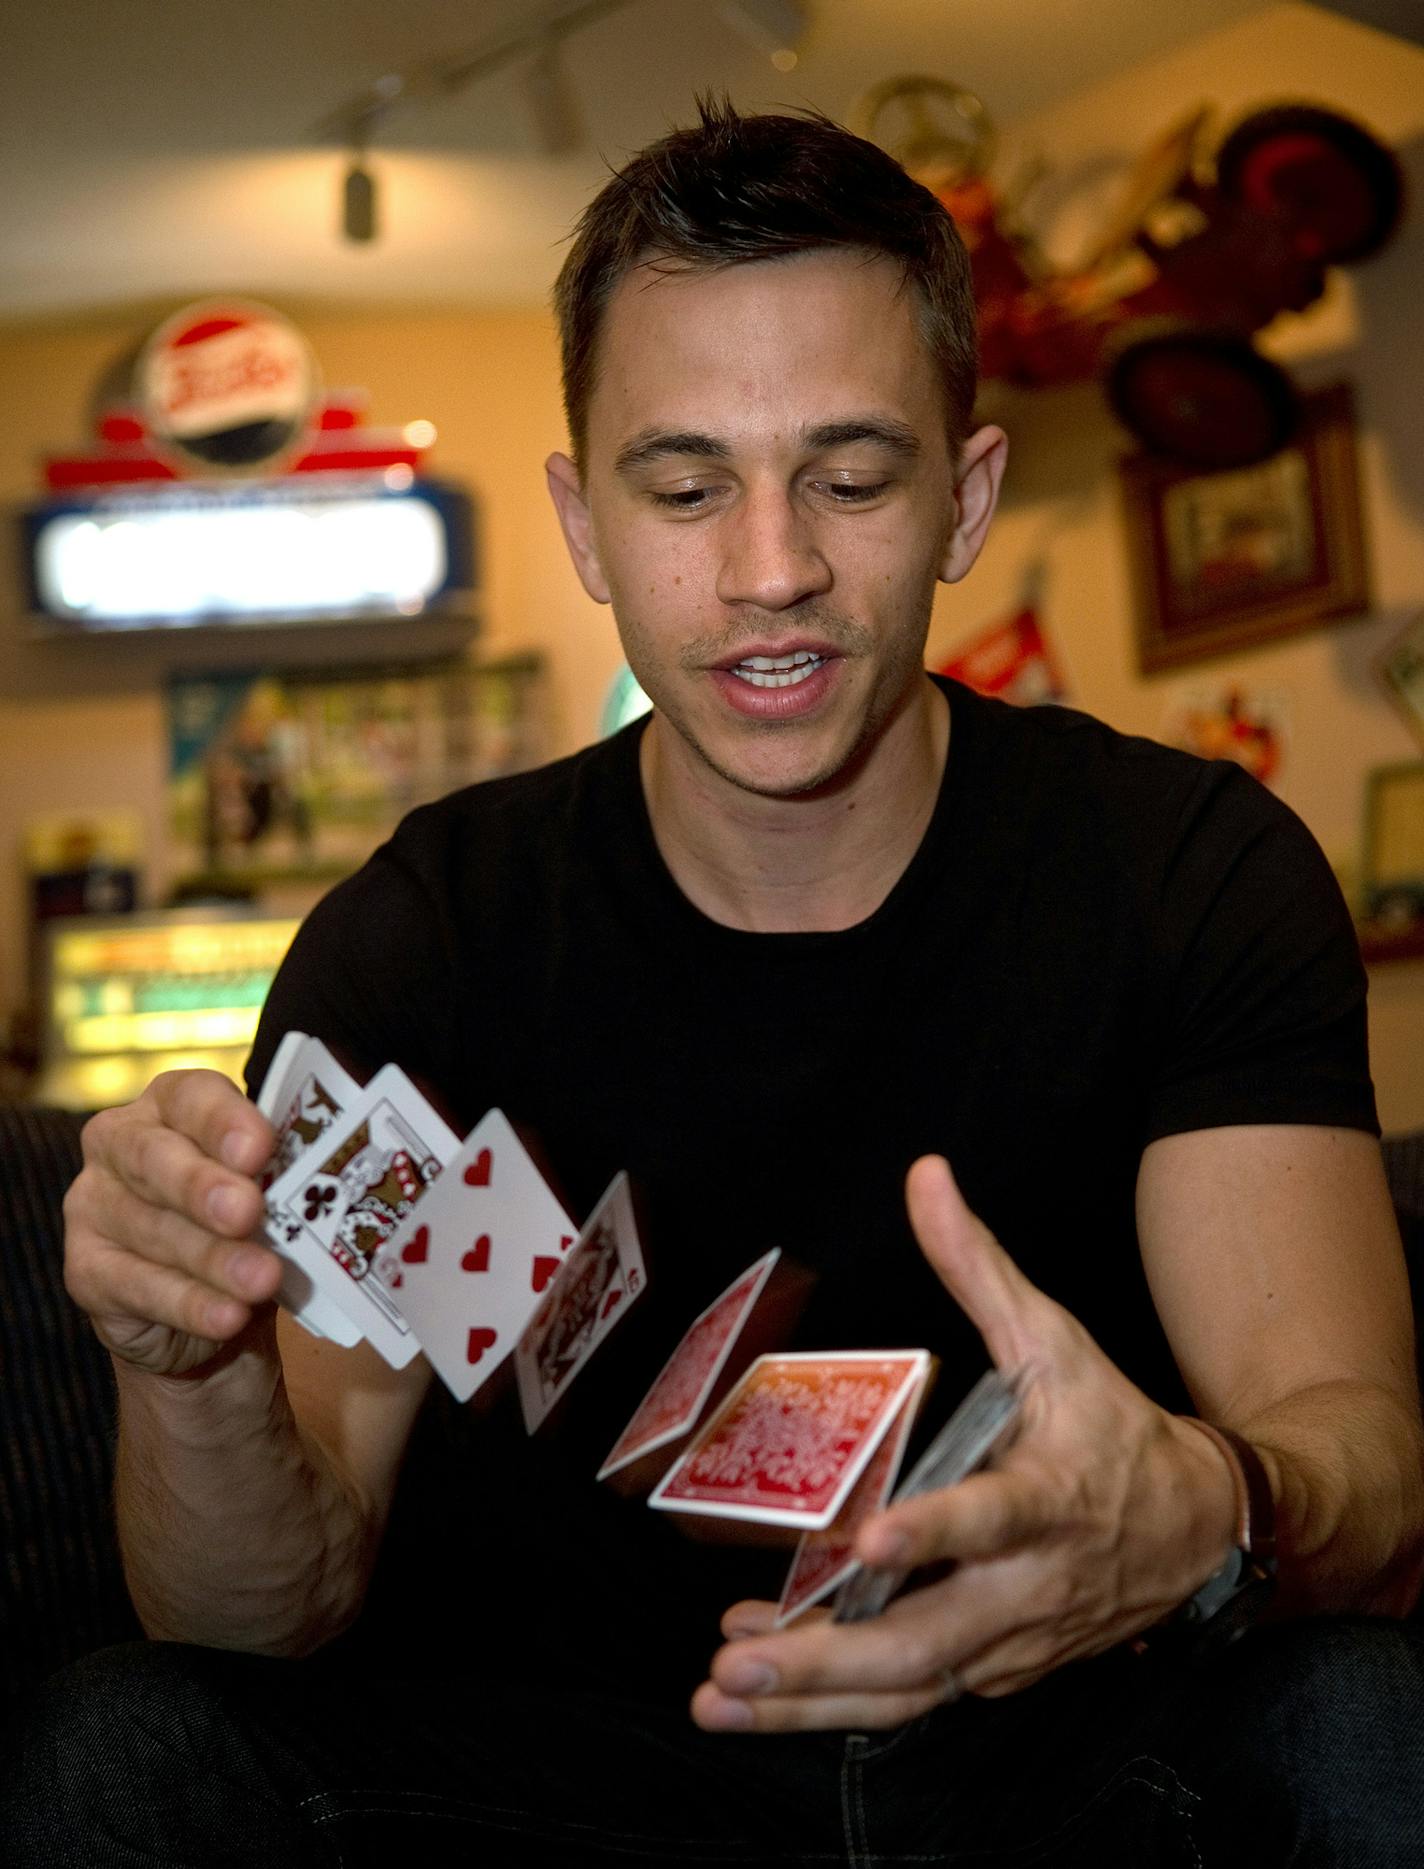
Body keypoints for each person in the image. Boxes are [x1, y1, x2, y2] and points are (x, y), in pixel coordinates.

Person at [4, 98, 1423, 1867]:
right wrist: (186, 1362)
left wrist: (1218, 1501)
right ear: (584, 522)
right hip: (561, 1776)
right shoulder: (425, 933)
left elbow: (1362, 1462)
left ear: (965, 499)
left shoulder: (1188, 868)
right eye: (684, 488)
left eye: (851, 476)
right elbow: (250, 1621)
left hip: (1061, 1762)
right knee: (118, 1748)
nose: (772, 572)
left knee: (1374, 1715)